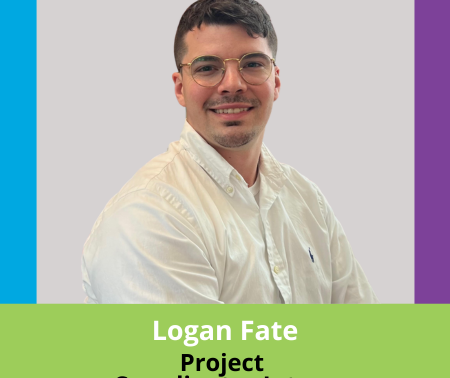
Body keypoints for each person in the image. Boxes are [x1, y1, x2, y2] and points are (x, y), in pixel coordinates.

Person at [81, 0, 378, 304]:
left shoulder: (307, 201)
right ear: (180, 88)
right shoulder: (148, 217)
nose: (232, 84)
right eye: (207, 68)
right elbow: (198, 353)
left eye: (252, 64)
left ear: (275, 80)